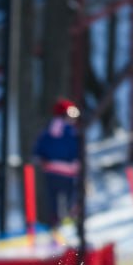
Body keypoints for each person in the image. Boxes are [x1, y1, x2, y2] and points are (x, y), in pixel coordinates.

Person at [32, 98, 83, 229]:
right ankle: (70, 225)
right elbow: (76, 150)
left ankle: (54, 225)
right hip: (69, 172)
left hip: (51, 172)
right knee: (70, 200)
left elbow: (39, 149)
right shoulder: (71, 131)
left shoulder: (47, 130)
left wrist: (43, 160)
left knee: (53, 201)